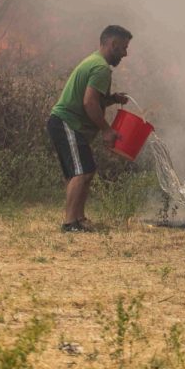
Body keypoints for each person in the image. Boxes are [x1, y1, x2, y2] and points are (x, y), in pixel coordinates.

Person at [46, 25, 132, 232]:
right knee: (81, 172)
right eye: (123, 48)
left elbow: (95, 99)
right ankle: (70, 223)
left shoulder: (95, 61)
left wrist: (112, 99)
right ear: (113, 44)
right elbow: (89, 103)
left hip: (66, 123)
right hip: (67, 122)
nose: (125, 54)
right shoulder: (101, 68)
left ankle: (79, 218)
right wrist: (106, 130)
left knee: (85, 171)